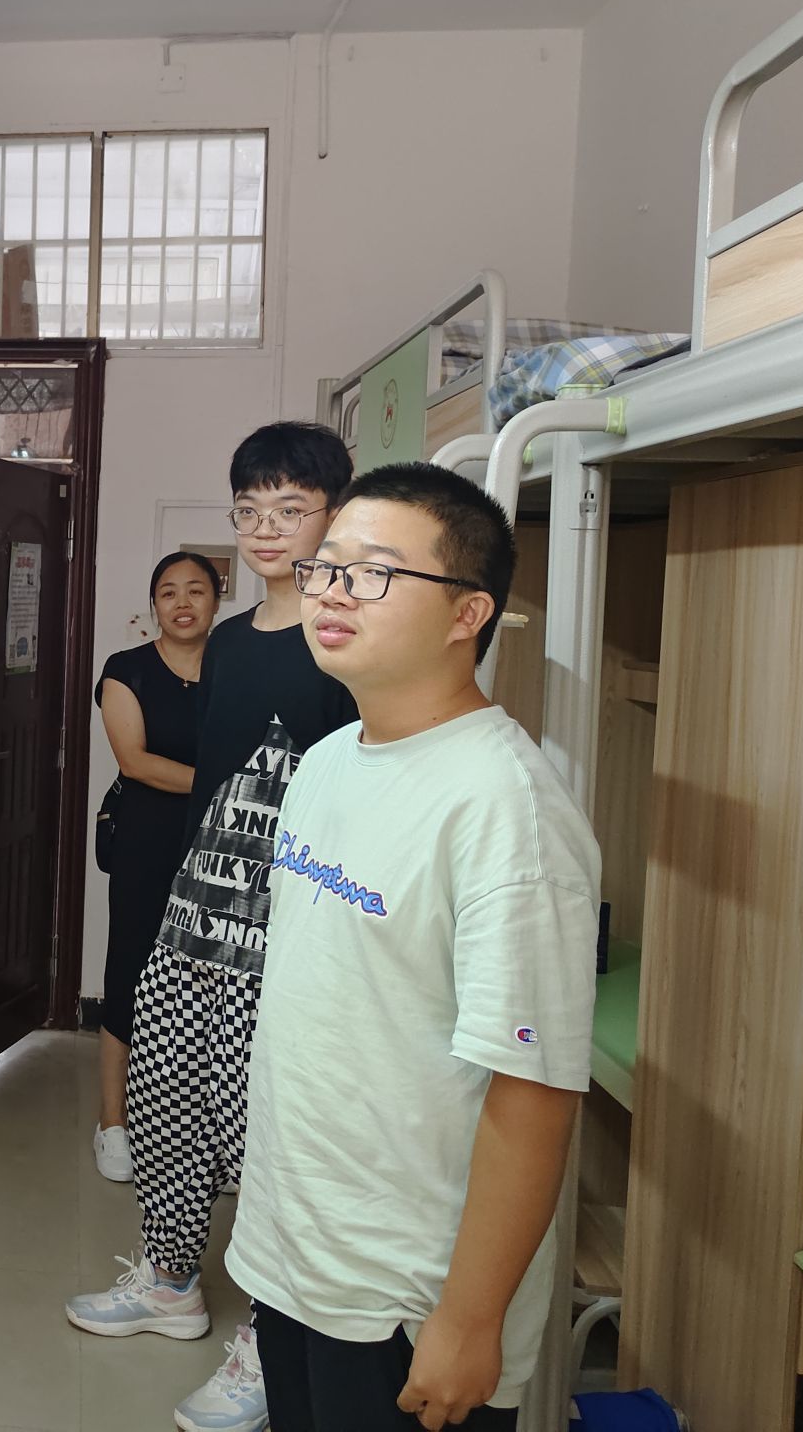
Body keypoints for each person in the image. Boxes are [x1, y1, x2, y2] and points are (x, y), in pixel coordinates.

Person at [226, 463, 599, 1430]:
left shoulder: (506, 811)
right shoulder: (326, 763)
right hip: (294, 1250)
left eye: (375, 573)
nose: (332, 592)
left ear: (468, 613)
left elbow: (534, 1090)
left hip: (408, 1295)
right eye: (327, 567)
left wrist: (470, 1318)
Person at [66, 421, 356, 1432]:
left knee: (272, 1128)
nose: (266, 528)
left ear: (334, 515)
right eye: (249, 509)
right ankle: (170, 1278)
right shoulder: (229, 643)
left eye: (291, 508)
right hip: (198, 908)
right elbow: (208, 785)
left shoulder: (348, 633)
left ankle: (270, 1342)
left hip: (293, 920)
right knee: (167, 1092)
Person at [89, 551, 222, 1184]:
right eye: (168, 592)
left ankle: (212, 1130)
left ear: (216, 601)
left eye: (196, 590)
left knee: (215, 983)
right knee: (131, 971)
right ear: (153, 605)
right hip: (147, 842)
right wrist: (222, 782)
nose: (182, 603)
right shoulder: (127, 670)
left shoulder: (234, 670)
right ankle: (113, 1123)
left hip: (220, 846)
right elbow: (135, 761)